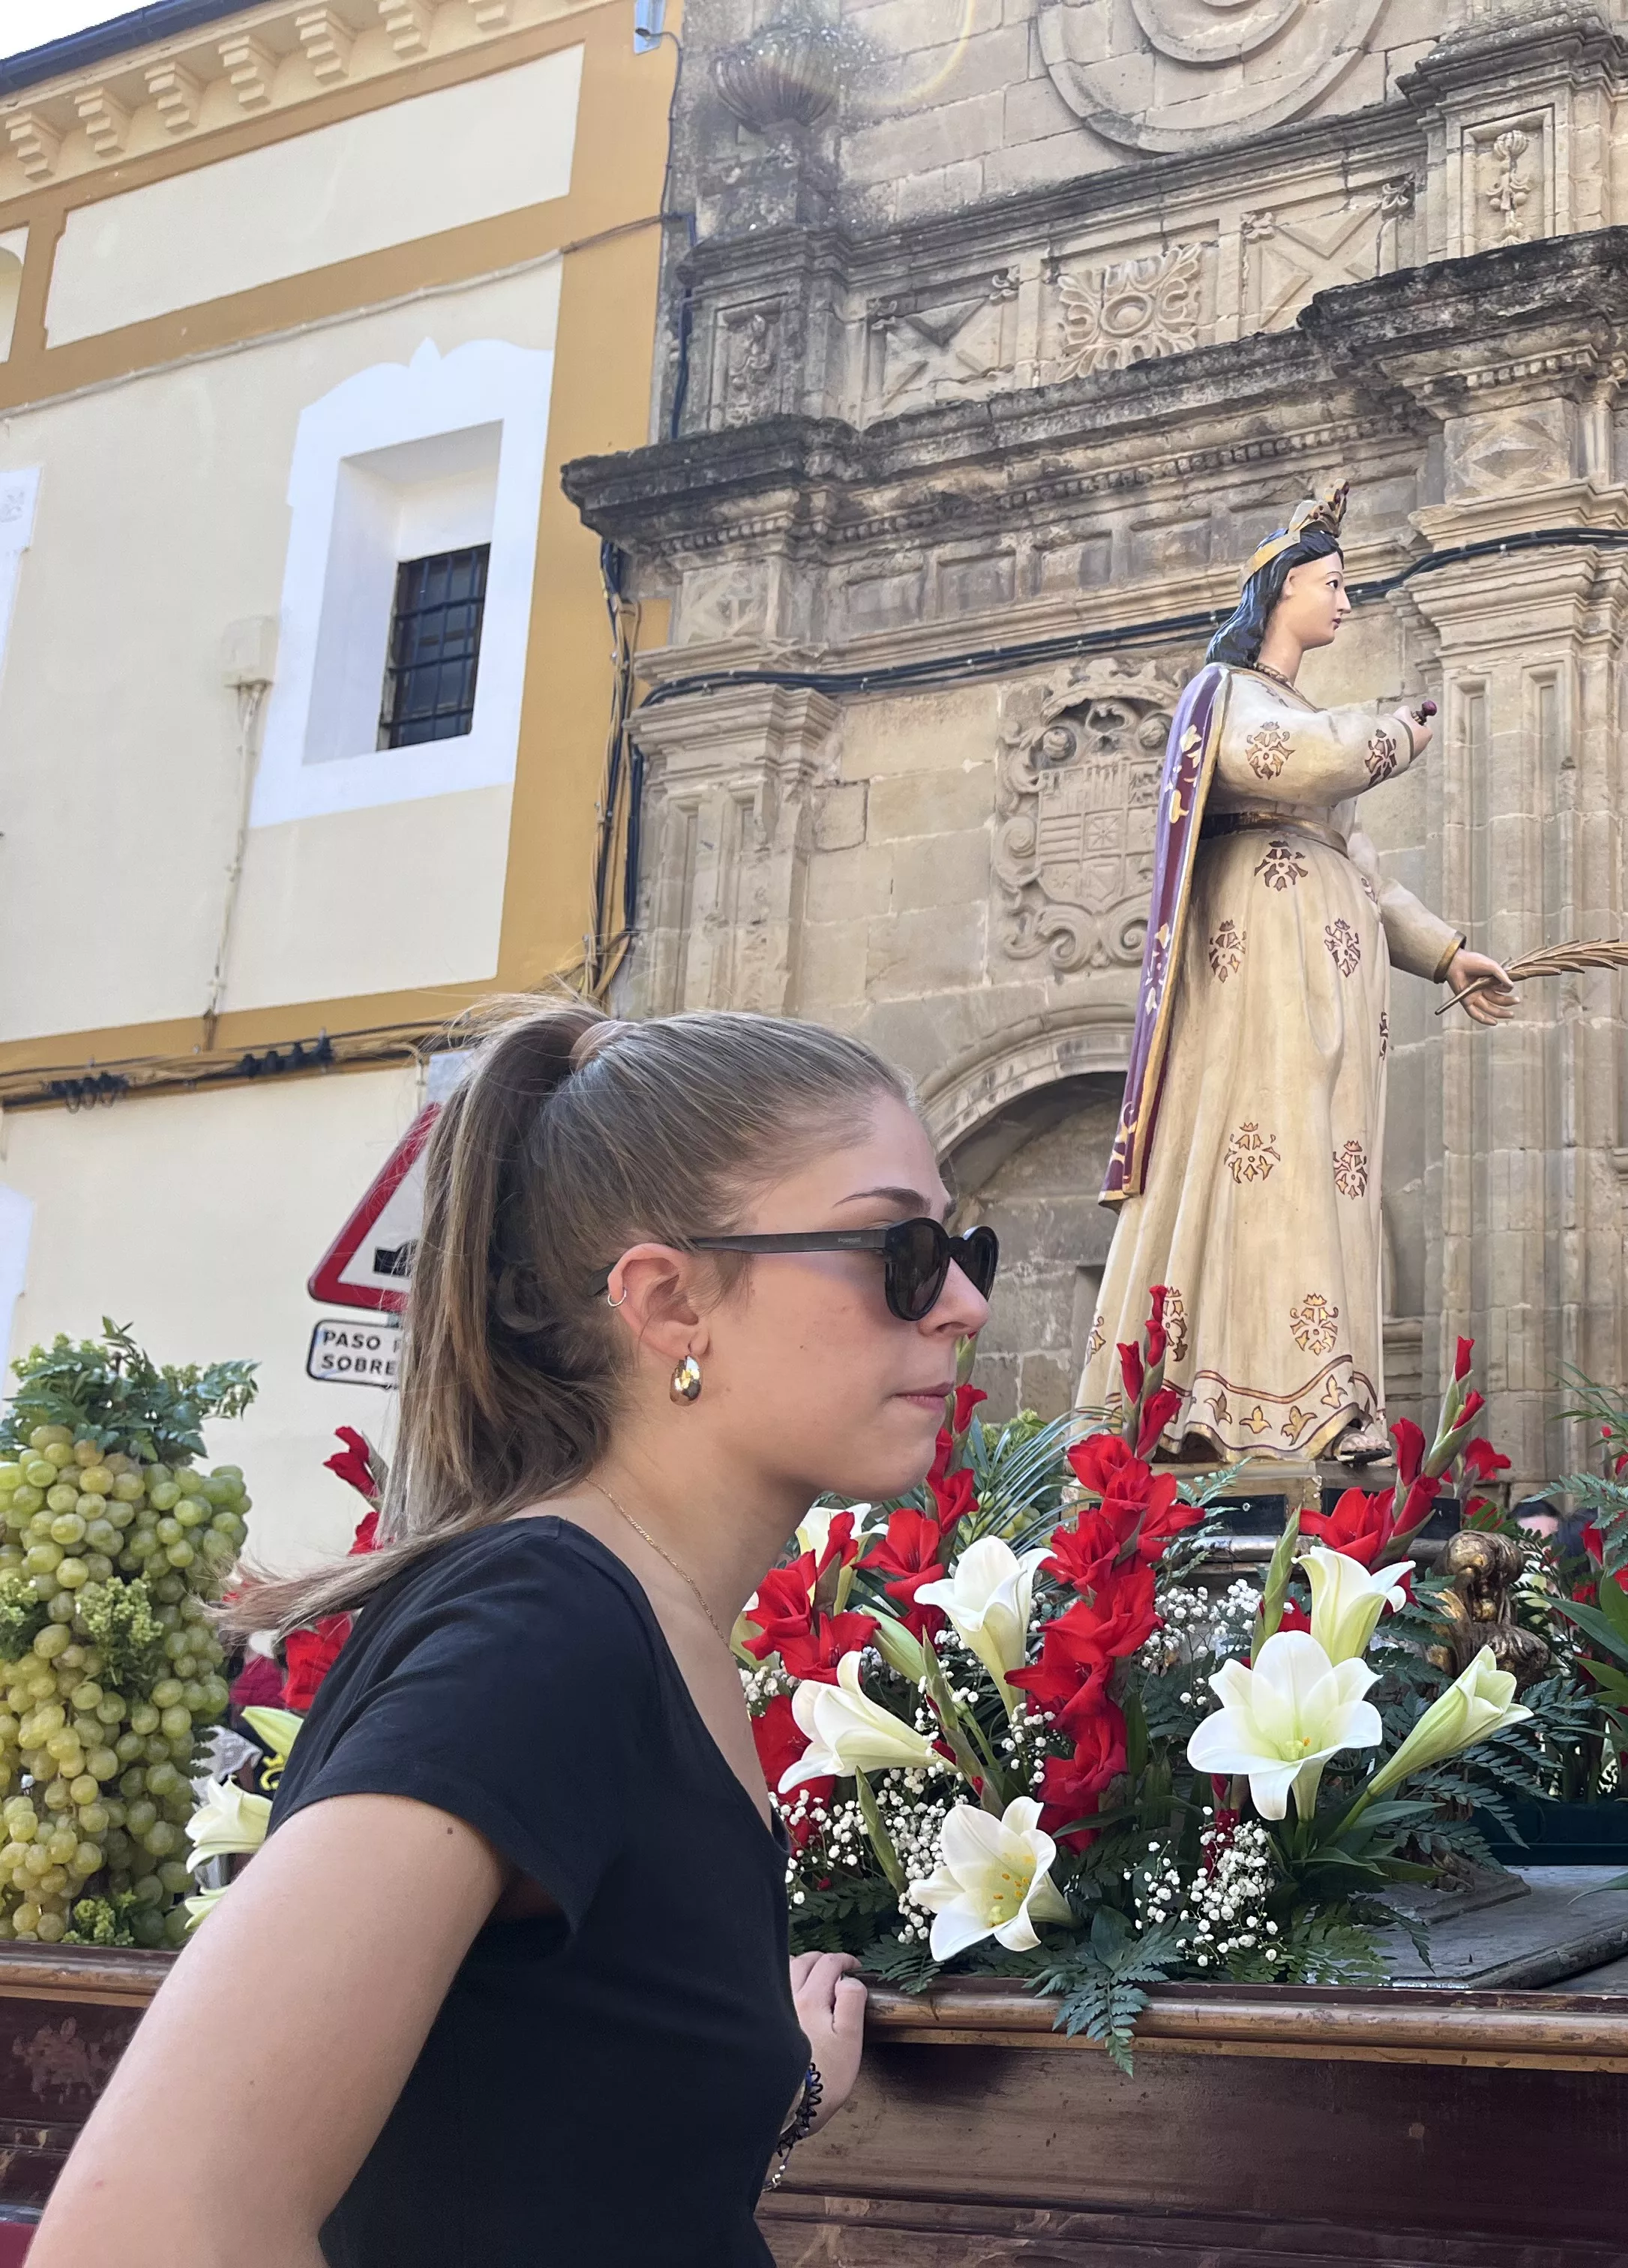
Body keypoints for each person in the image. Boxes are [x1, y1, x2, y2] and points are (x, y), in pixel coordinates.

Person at [33, 998, 997, 2266]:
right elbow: (149, 2226)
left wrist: (761, 2086)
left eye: (963, 1244)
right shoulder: (548, 1631)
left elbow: (517, 2147)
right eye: (900, 1247)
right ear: (667, 1302)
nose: (964, 1301)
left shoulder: (646, 1625)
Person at [1081, 482, 1516, 1467]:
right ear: (1280, 591)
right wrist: (1399, 730)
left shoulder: (1303, 713)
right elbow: (1296, 763)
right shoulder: (1225, 697)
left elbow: (1368, 869)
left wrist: (1448, 953)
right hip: (1262, 964)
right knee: (1264, 1158)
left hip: (1337, 976)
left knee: (1327, 1170)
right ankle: (1248, 1405)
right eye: (1333, 582)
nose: (1347, 603)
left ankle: (1326, 1398)